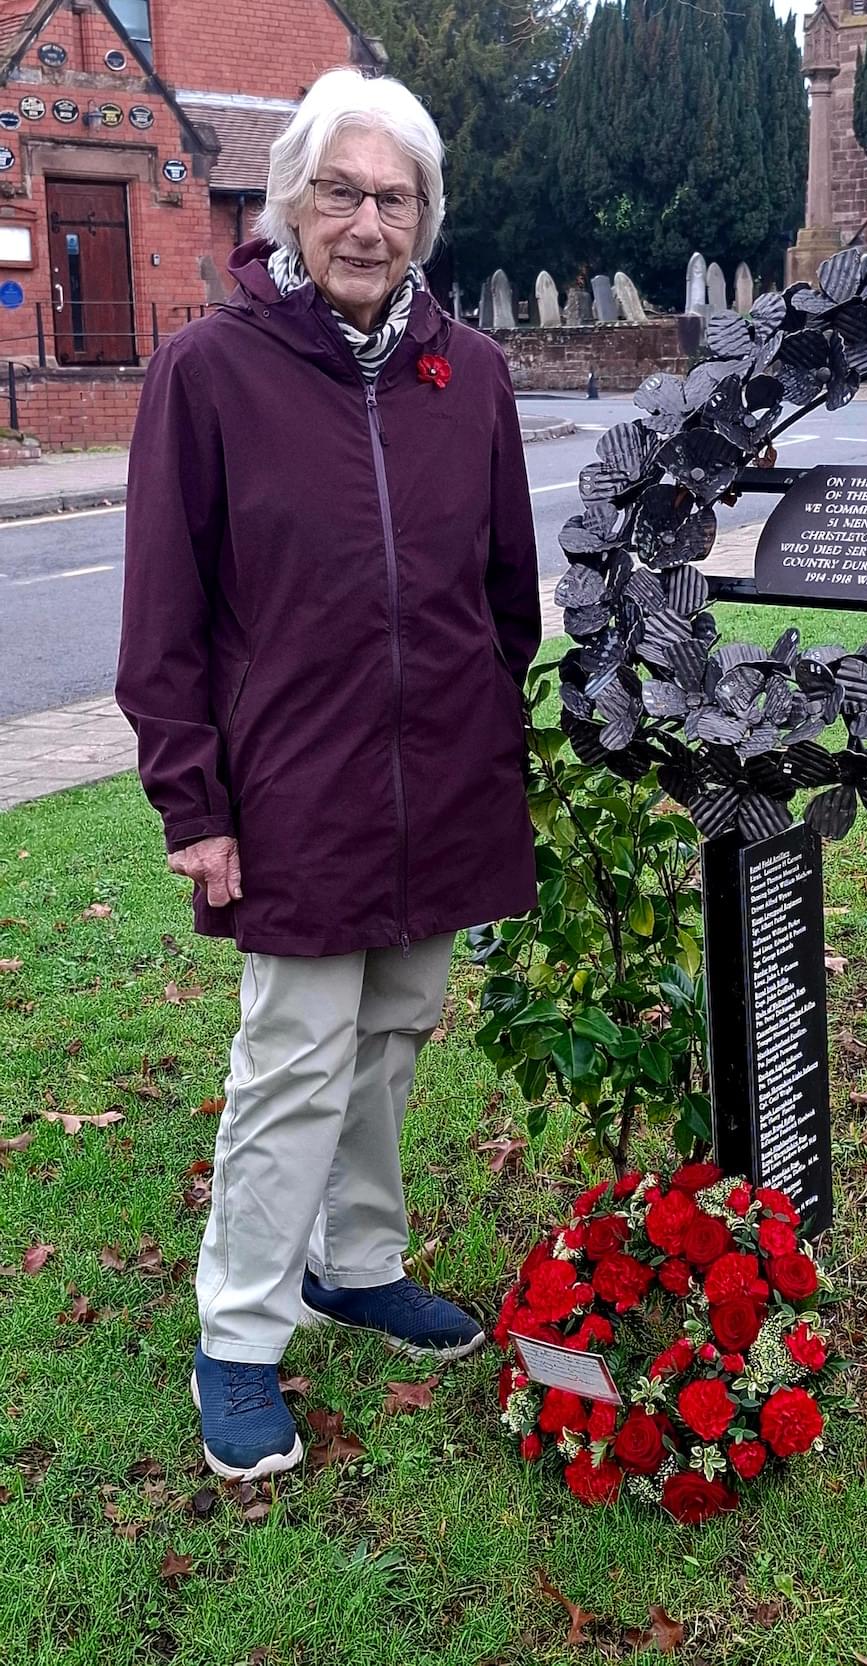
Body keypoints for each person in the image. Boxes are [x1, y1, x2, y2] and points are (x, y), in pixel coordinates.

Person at [115, 68, 540, 1483]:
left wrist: (485, 742)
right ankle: (237, 1334)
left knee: (396, 1029)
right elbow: (165, 614)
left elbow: (504, 593)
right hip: (291, 786)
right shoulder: (210, 371)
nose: (368, 221)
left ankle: (354, 1263)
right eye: (343, 193)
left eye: (395, 196)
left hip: (439, 783)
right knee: (294, 1054)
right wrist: (194, 802)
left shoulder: (467, 374)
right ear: (292, 203)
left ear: (425, 215)